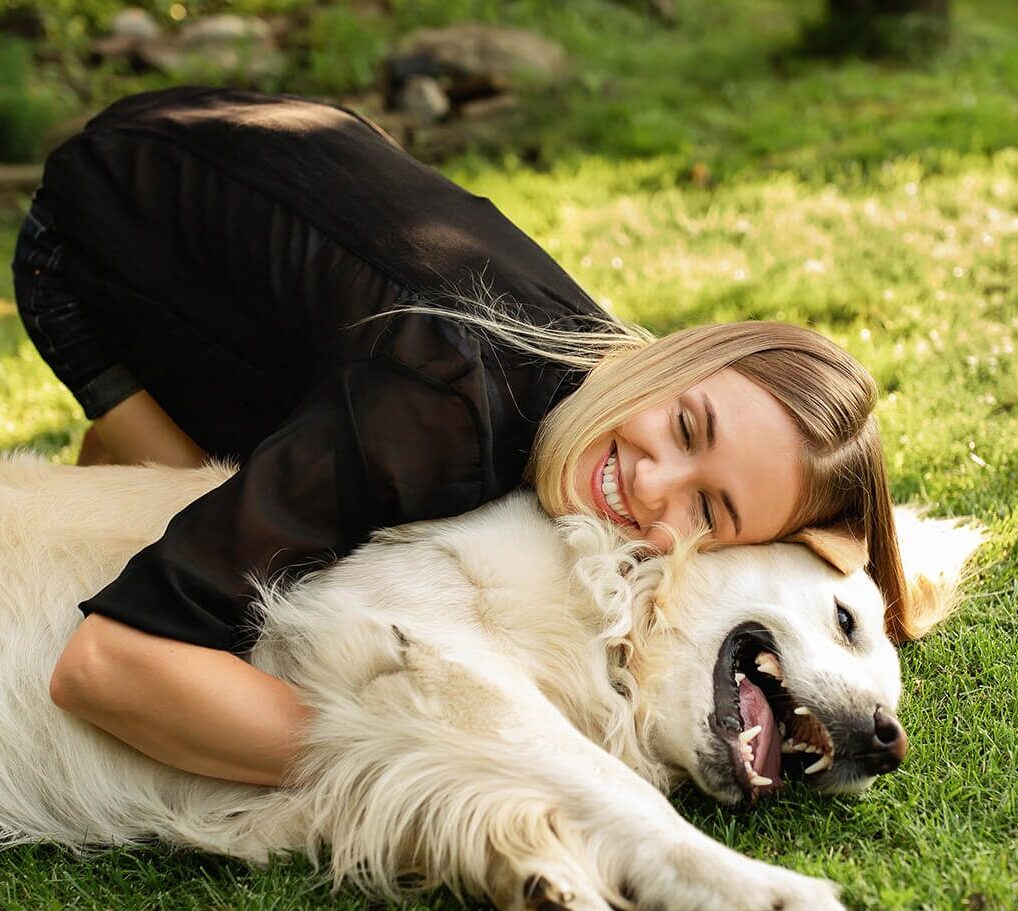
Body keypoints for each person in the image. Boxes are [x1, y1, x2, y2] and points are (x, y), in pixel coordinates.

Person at [12, 87, 912, 788]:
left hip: (277, 172)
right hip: (105, 220)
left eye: (710, 508)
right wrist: (420, 763)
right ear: (675, 360)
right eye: (684, 425)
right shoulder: (437, 407)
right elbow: (103, 668)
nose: (651, 483)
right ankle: (131, 431)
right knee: (207, 522)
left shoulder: (575, 401)